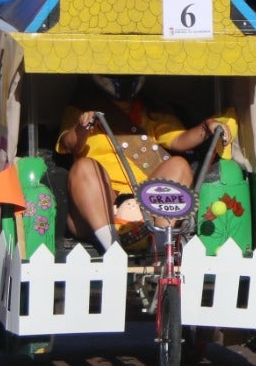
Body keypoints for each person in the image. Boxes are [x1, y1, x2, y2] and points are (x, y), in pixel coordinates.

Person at [57, 77, 230, 252]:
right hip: (102, 205)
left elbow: (179, 140)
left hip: (145, 204)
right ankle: (112, 248)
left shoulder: (151, 111)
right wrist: (83, 127)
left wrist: (207, 128)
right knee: (84, 166)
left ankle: (162, 243)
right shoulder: (81, 107)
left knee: (178, 164)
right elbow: (70, 143)